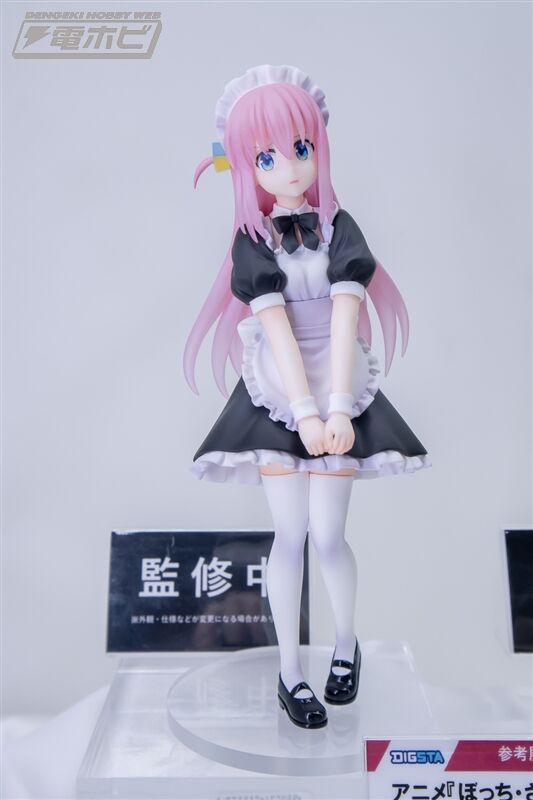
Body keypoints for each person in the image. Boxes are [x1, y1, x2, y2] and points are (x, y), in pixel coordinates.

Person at [183, 64, 431, 729]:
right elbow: (277, 333)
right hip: (280, 387)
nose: (290, 169)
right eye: (267, 157)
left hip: (340, 376)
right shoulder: (252, 241)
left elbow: (347, 321)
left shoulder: (338, 227)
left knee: (328, 535)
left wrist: (340, 406)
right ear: (245, 166)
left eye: (301, 148)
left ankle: (345, 645)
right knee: (288, 535)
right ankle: (289, 672)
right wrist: (303, 413)